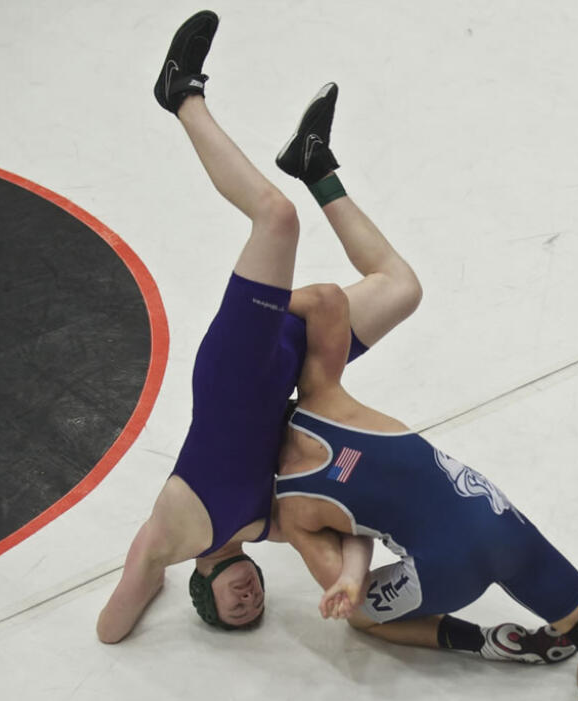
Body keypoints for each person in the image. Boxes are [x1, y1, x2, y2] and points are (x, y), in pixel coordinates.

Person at [96, 11, 420, 643]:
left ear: (201, 594)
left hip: (236, 372)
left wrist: (146, 577)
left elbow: (110, 631)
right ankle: (316, 163)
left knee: (275, 218)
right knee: (401, 289)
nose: (247, 599)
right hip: (287, 371)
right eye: (255, 608)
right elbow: (347, 534)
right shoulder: (270, 526)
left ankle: (181, 95)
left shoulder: (169, 535)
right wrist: (354, 571)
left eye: (230, 607)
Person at [271, 260, 578, 701]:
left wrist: (348, 580)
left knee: (365, 625)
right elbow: (325, 298)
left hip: (444, 567)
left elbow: (352, 600)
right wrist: (257, 311)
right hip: (497, 515)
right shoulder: (325, 396)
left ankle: (486, 641)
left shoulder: (294, 505)